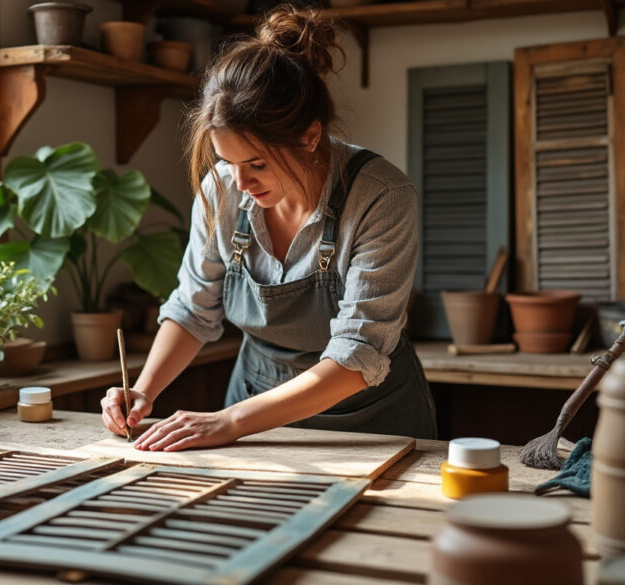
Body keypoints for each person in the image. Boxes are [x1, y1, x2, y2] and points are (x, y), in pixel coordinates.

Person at [100, 4, 437, 451]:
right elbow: (193, 308)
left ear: (310, 137)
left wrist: (230, 422)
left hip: (370, 424)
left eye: (256, 163)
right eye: (228, 162)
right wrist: (144, 390)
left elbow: (358, 353)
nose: (239, 182)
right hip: (255, 417)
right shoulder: (224, 188)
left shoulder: (380, 195)